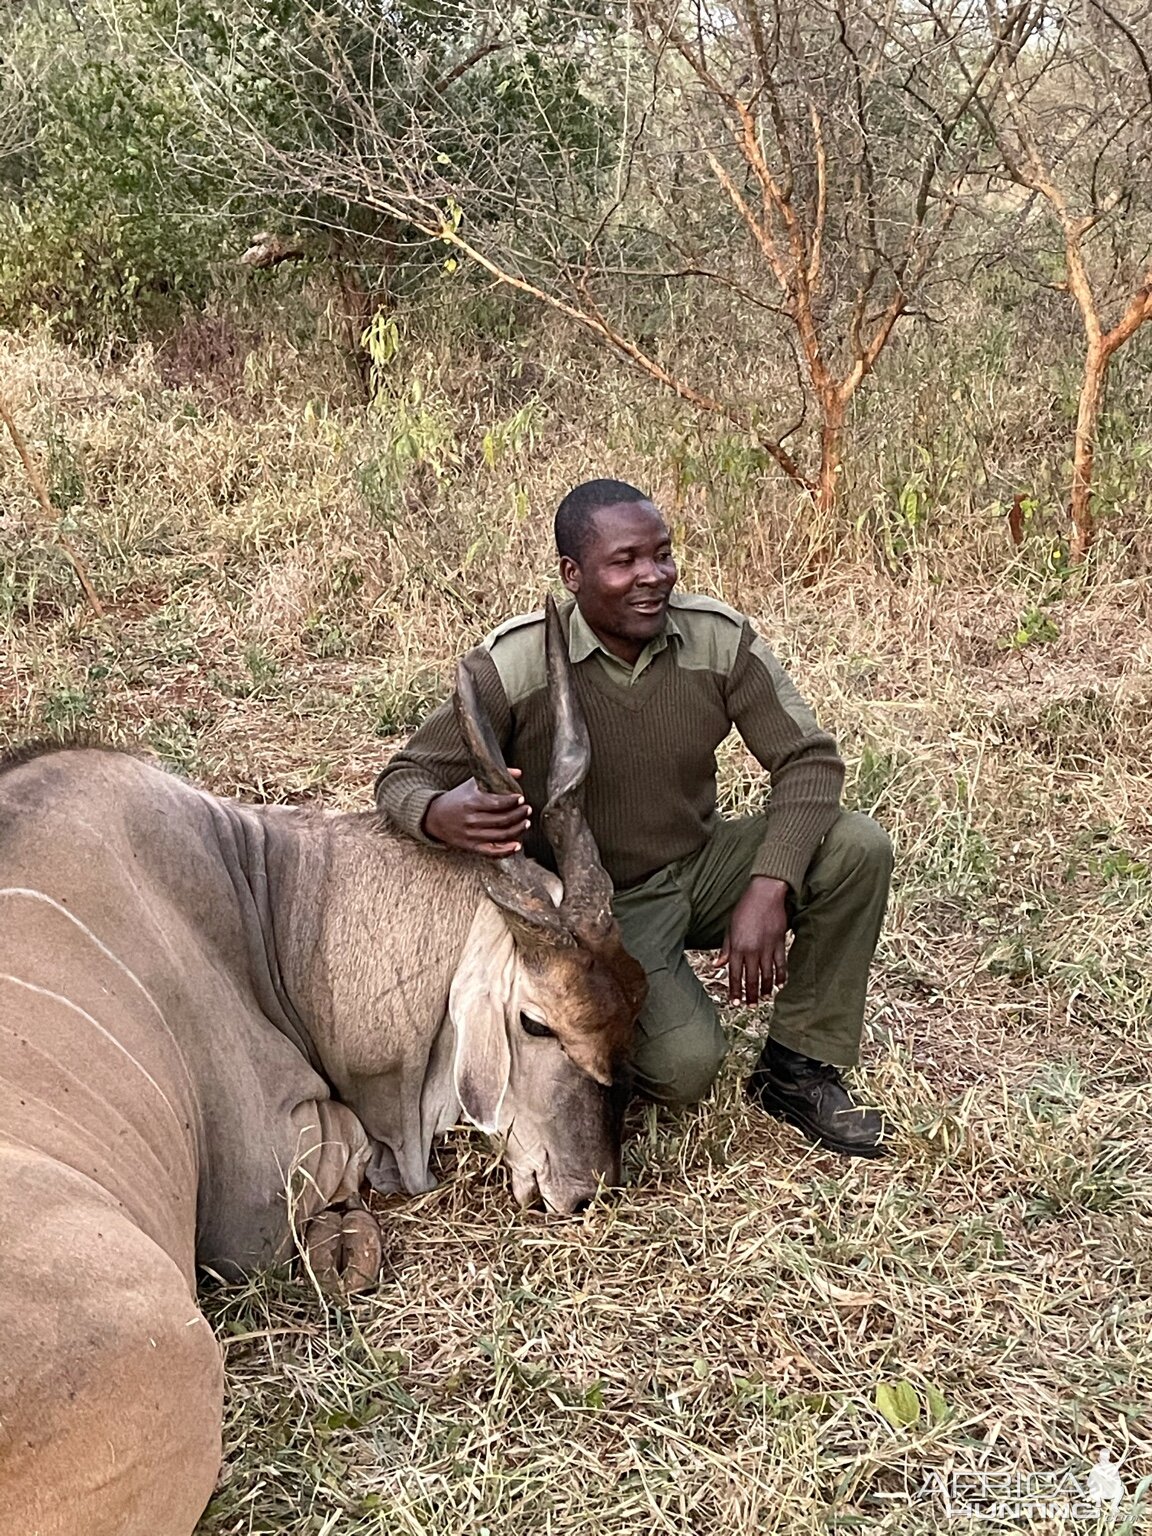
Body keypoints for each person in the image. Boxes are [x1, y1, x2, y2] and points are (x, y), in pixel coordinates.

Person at [375, 479, 894, 1157]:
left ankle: (797, 1068)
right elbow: (402, 778)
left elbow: (810, 761)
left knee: (857, 848)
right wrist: (440, 812)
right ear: (573, 573)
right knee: (685, 1070)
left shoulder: (715, 638)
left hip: (702, 861)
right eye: (624, 562)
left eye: (662, 554)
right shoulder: (516, 662)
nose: (652, 577)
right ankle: (647, 1011)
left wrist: (769, 886)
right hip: (606, 906)